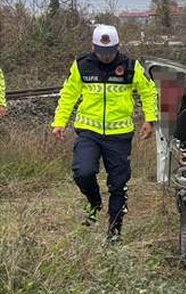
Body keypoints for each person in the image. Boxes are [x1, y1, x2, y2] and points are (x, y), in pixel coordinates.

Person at [51, 24, 158, 241]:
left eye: (110, 52)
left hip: (119, 136)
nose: (106, 57)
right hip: (89, 132)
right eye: (102, 52)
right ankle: (94, 202)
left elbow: (148, 91)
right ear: (93, 47)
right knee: (83, 172)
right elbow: (69, 94)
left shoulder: (130, 66)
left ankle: (115, 231)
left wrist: (150, 119)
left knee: (118, 184)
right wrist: (59, 122)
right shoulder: (82, 65)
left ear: (117, 47)